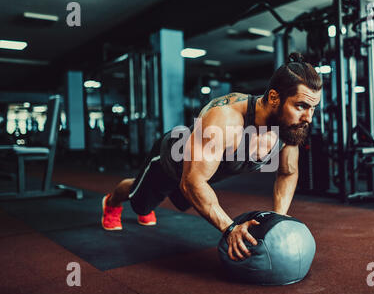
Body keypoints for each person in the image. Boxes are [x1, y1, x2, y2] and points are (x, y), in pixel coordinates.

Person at [101, 52, 322, 261]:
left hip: (203, 175)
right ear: (274, 97)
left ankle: (149, 202)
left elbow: (288, 172)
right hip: (170, 162)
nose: (308, 118)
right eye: (301, 106)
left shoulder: (289, 127)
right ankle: (111, 203)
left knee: (187, 197)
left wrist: (278, 219)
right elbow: (192, 181)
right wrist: (230, 229)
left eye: (313, 108)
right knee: (140, 203)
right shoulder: (227, 119)